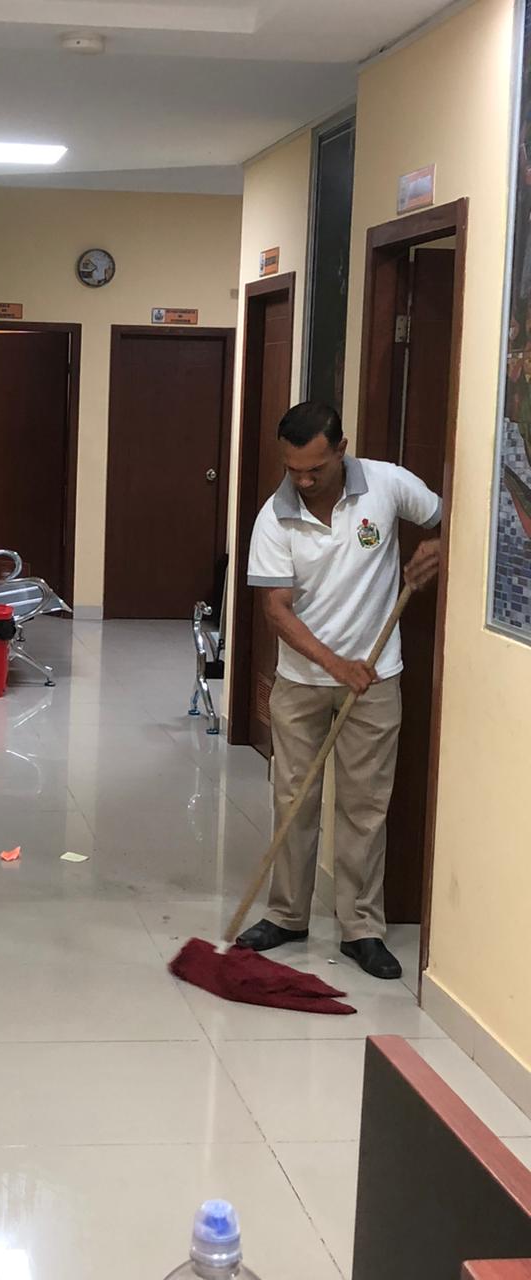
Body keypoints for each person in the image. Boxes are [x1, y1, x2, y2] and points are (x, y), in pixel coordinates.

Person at [236, 401, 442, 979]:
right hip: (302, 682)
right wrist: (335, 664)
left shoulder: (387, 484)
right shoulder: (274, 517)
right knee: (293, 801)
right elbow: (277, 610)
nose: (302, 481)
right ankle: (286, 916)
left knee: (365, 807)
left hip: (376, 678)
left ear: (342, 450)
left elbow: (451, 516)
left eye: (315, 470)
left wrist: (440, 546)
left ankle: (361, 928)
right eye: (293, 469)